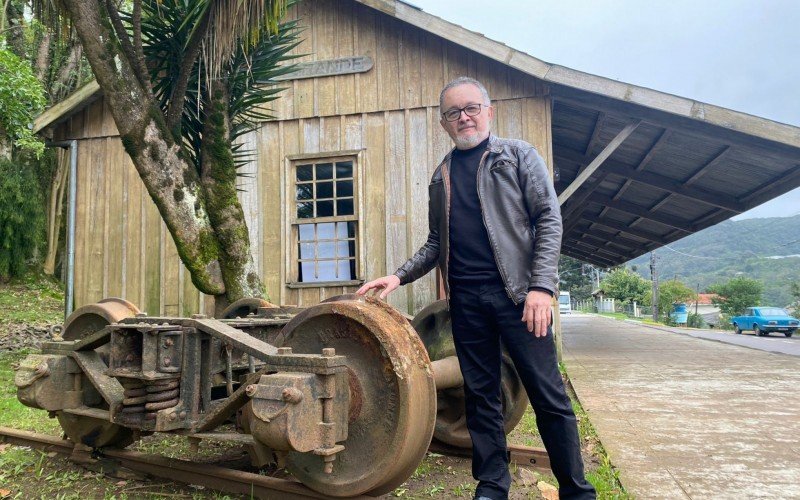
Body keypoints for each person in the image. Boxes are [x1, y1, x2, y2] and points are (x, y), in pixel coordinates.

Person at [356, 77, 595, 500]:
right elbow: (436, 242)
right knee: (481, 397)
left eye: (470, 108)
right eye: (453, 112)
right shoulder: (442, 174)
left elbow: (548, 219)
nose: (463, 117)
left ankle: (577, 490)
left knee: (548, 396)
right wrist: (398, 276)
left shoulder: (519, 155)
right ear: (444, 122)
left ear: (489, 110)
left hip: (522, 300)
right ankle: (491, 485)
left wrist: (542, 288)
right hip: (466, 304)